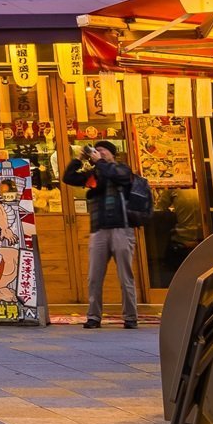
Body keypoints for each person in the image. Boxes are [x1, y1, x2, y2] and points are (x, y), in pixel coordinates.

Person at [65, 140, 149, 328]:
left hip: (122, 228)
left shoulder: (122, 170)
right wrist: (79, 158)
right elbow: (68, 178)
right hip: (99, 230)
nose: (99, 153)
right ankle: (94, 316)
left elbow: (116, 175)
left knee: (125, 276)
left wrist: (99, 162)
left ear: (112, 154)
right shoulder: (95, 174)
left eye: (103, 151)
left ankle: (130, 317)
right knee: (94, 276)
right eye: (97, 151)